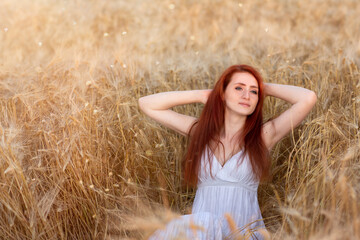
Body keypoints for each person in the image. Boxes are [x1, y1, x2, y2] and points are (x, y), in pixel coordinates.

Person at [138, 64, 317, 239]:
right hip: (201, 233)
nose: (246, 95)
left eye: (254, 91)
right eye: (239, 88)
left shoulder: (263, 136)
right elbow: (147, 104)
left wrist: (264, 87)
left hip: (241, 233)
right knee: (202, 222)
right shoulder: (200, 132)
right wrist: (202, 95)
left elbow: (307, 98)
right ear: (222, 94)